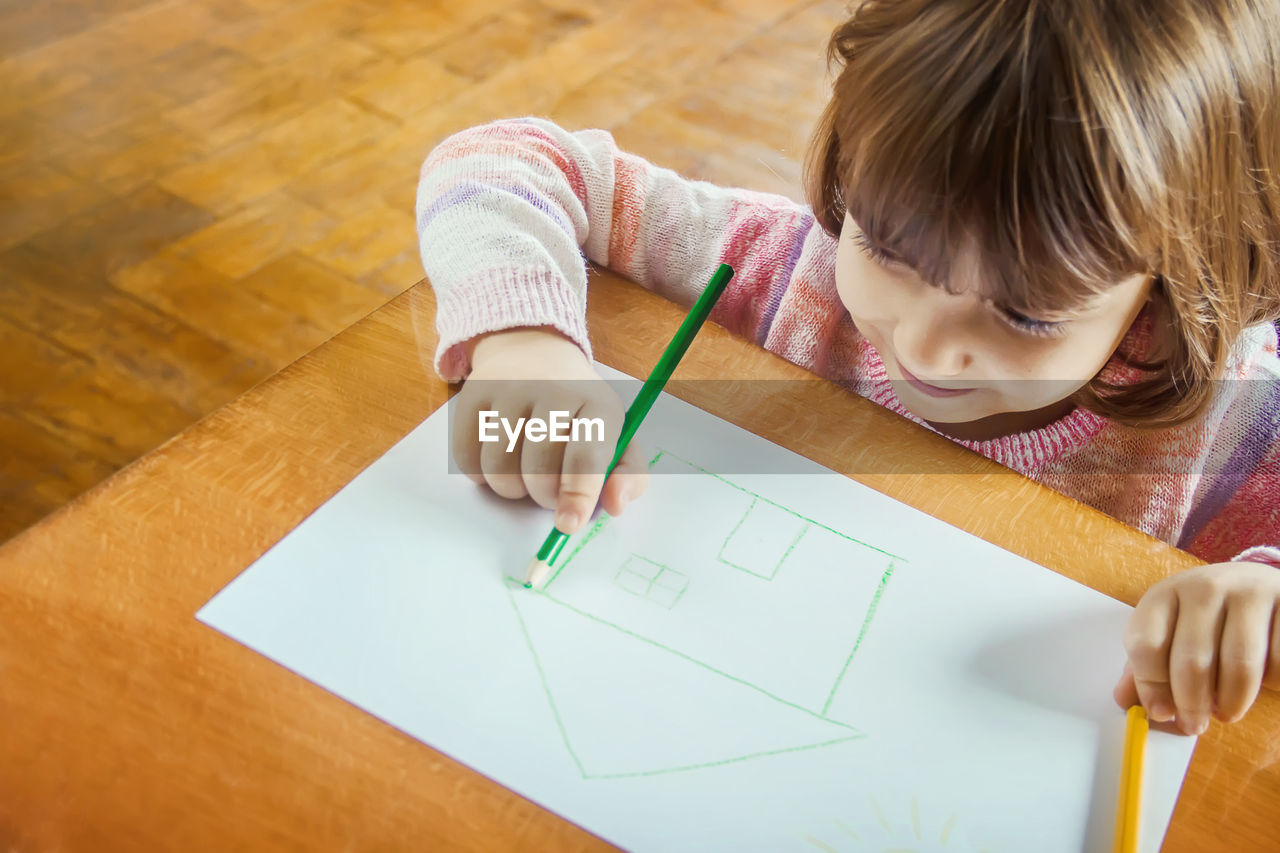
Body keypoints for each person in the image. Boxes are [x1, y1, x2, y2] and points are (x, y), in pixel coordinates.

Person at [415, 0, 1280, 735]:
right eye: (887, 247)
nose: (925, 347)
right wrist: (527, 339)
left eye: (1025, 313)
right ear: (847, 170)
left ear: (1167, 294)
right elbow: (502, 159)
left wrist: (1258, 597)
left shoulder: (1234, 421)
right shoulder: (778, 267)